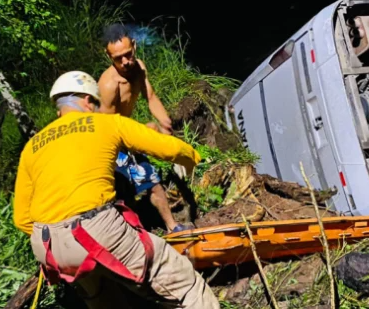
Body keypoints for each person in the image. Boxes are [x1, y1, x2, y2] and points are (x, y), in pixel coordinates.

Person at [13, 71, 219, 309]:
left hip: (48, 245)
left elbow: (22, 219)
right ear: (87, 100)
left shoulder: (32, 147)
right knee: (186, 286)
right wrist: (193, 158)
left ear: (59, 107)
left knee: (105, 300)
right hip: (96, 228)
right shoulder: (105, 123)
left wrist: (62, 236)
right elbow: (166, 147)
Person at [97, 23, 192, 234]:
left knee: (153, 183)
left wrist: (166, 124)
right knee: (123, 195)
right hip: (111, 145)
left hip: (128, 136)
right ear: (108, 56)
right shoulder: (109, 85)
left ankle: (172, 227)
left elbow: (150, 97)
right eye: (118, 58)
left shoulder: (138, 67)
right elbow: (108, 127)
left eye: (128, 54)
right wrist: (142, 133)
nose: (125, 61)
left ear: (135, 46)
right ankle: (134, 237)